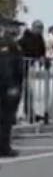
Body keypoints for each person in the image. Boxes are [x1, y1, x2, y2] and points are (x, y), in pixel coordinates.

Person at [0, 17, 24, 157]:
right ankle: (4, 147)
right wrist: (11, 86)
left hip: (8, 85)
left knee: (5, 118)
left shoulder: (13, 43)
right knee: (5, 119)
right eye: (15, 26)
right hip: (6, 87)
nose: (17, 29)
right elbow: (6, 66)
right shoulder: (7, 43)